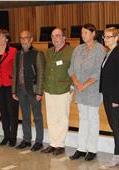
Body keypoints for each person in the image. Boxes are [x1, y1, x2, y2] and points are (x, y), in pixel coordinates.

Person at [68, 24, 105, 161]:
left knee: (93, 120)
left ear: (93, 33)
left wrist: (84, 85)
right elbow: (71, 69)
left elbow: (98, 72)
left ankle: (92, 149)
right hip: (80, 90)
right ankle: (81, 148)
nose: (83, 35)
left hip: (93, 90)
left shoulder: (100, 50)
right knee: (83, 119)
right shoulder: (78, 49)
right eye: (82, 33)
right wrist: (77, 84)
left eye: (86, 33)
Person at [41, 28, 74, 156]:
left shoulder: (71, 51)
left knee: (62, 118)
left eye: (58, 36)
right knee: (51, 117)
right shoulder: (48, 52)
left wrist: (72, 86)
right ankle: (53, 143)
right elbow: (45, 71)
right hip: (49, 89)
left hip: (63, 90)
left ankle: (60, 144)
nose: (55, 38)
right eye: (53, 36)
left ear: (64, 38)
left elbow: (74, 69)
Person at [12, 30, 45, 151]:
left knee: (37, 116)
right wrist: (13, 91)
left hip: (33, 90)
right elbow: (15, 73)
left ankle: (39, 141)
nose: (23, 41)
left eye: (26, 38)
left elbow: (41, 74)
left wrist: (39, 92)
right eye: (21, 38)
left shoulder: (37, 53)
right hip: (21, 90)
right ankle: (26, 140)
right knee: (25, 116)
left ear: (31, 39)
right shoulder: (18, 54)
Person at [99, 27, 119, 167]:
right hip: (108, 94)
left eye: (109, 37)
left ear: (116, 38)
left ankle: (117, 155)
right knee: (113, 124)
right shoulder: (109, 52)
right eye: (104, 37)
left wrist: (116, 99)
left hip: (114, 96)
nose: (105, 39)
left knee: (115, 125)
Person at [0, 29, 19, 147]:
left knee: (12, 112)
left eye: (2, 37)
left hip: (10, 85)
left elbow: (16, 70)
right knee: (3, 112)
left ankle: (13, 137)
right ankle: (6, 136)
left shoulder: (13, 51)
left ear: (7, 39)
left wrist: (16, 88)